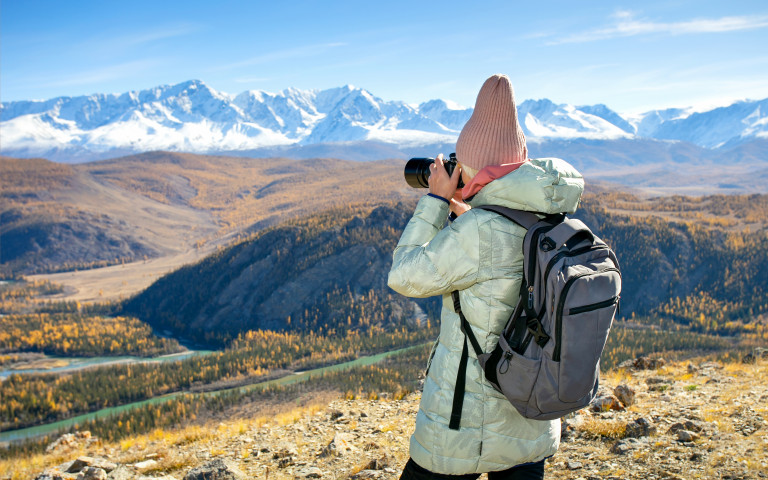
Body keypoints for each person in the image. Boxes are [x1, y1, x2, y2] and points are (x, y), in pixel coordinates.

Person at [387, 74, 585, 479]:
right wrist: (471, 214)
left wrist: (436, 201)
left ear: (472, 163)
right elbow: (505, 250)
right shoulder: (551, 214)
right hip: (533, 413)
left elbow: (404, 276)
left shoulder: (478, 233)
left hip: (464, 426)